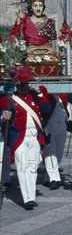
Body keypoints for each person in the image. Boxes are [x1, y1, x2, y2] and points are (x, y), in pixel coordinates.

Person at [0, 66, 51, 210]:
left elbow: (46, 110)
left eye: (25, 83)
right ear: (16, 84)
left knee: (32, 167)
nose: (23, 86)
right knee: (22, 167)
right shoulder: (8, 100)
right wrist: (3, 117)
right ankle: (27, 198)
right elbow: (1, 117)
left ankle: (31, 195)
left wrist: (40, 94)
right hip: (19, 138)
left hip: (34, 137)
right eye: (21, 84)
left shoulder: (34, 96)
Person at [39, 86, 71, 190]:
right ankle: (54, 179)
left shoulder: (62, 94)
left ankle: (48, 178)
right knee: (50, 152)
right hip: (49, 126)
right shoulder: (44, 93)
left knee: (58, 152)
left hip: (62, 125)